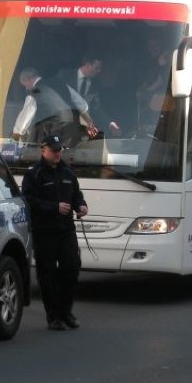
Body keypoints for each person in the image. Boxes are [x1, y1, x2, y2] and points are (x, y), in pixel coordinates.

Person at [21, 135, 87, 331]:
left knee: (72, 267)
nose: (58, 153)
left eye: (60, 150)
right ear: (43, 150)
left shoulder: (67, 172)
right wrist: (54, 207)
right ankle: (54, 316)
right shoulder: (34, 174)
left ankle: (66, 311)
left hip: (66, 230)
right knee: (47, 274)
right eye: (54, 150)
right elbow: (29, 201)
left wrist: (81, 206)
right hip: (45, 232)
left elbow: (76, 195)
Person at [12, 68, 97, 146]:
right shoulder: (60, 82)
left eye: (25, 85)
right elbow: (82, 104)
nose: (26, 88)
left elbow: (27, 113)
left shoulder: (35, 91)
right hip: (72, 127)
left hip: (53, 128)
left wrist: (17, 133)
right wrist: (88, 120)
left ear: (28, 79)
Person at [55, 54, 121, 138]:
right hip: (62, 125)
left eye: (100, 69)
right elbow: (55, 97)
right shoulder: (64, 75)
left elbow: (96, 107)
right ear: (88, 65)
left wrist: (109, 123)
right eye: (97, 68)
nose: (99, 71)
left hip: (82, 130)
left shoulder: (95, 85)